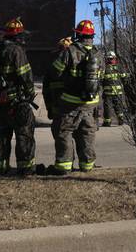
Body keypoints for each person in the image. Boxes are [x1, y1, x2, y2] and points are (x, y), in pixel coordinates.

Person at [47, 19, 101, 174]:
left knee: (64, 132)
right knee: (87, 134)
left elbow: (55, 72)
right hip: (91, 104)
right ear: (92, 36)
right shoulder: (99, 54)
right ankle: (87, 166)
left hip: (70, 102)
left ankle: (64, 167)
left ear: (78, 34)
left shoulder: (70, 51)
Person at [0, 17, 37, 177]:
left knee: (1, 136)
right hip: (16, 103)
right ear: (18, 36)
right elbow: (25, 75)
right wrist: (30, 93)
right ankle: (25, 168)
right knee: (24, 135)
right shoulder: (16, 50)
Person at [101, 50, 127, 127]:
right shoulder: (119, 67)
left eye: (110, 59)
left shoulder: (105, 68)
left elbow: (101, 80)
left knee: (108, 107)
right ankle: (120, 119)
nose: (110, 60)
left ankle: (107, 122)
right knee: (118, 106)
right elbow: (125, 78)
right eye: (109, 59)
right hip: (118, 92)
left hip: (108, 93)